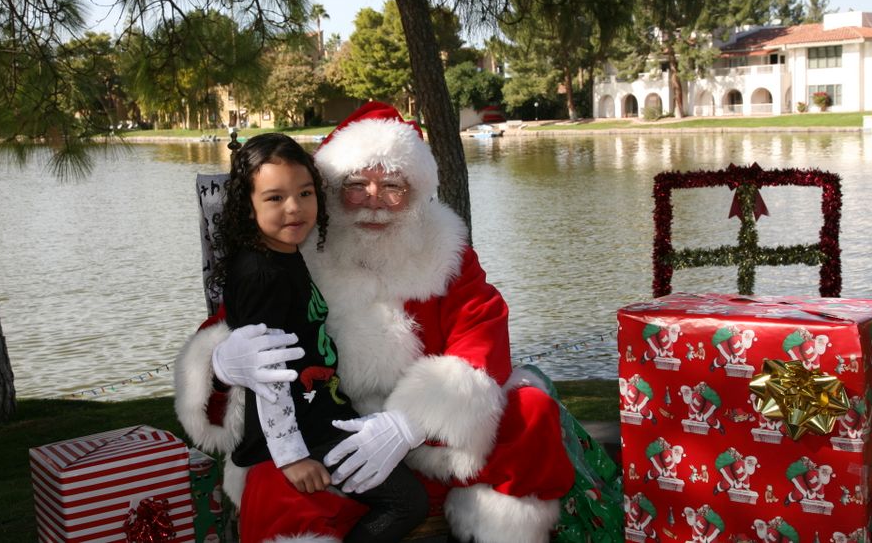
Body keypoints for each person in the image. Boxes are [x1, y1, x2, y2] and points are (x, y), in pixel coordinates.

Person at [175, 103, 575, 543]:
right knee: (278, 483)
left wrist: (409, 423)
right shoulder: (294, 246)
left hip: (427, 436)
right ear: (330, 187)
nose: (374, 201)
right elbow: (227, 325)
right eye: (355, 186)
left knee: (531, 413)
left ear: (416, 191)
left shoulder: (445, 252)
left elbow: (482, 330)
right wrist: (222, 362)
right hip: (325, 428)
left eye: (393, 186)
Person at [208, 132, 428, 543]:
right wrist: (291, 457)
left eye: (305, 193)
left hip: (320, 412)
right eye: (274, 198)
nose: (294, 209)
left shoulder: (284, 253)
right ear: (247, 205)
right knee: (407, 503)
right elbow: (268, 373)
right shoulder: (261, 273)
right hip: (302, 432)